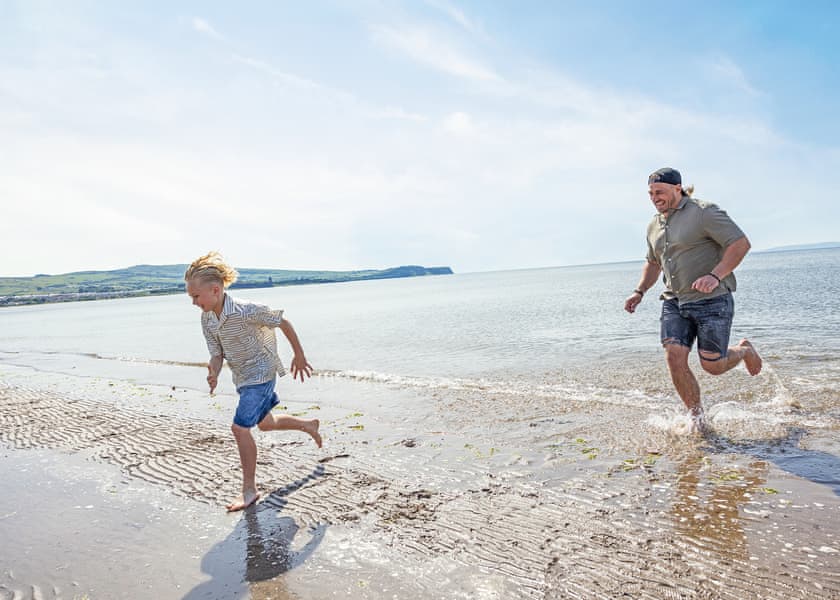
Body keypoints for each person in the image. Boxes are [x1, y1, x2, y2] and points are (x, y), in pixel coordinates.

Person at [624, 167, 762, 429]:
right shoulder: (654, 224)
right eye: (651, 193)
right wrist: (639, 291)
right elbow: (653, 263)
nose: (655, 197)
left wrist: (715, 275)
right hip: (674, 301)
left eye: (660, 192)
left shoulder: (704, 212)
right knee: (674, 356)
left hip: (712, 300)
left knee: (713, 365)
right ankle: (697, 418)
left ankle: (744, 350)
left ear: (678, 188)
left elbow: (740, 243)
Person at [185, 251, 322, 512]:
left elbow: (283, 322)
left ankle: (249, 490)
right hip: (243, 378)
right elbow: (217, 353)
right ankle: (308, 425)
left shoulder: (246, 311)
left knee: (239, 428)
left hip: (262, 374)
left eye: (195, 296)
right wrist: (213, 371)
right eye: (191, 297)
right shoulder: (207, 319)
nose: (193, 302)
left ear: (215, 290)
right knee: (266, 424)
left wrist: (300, 356)